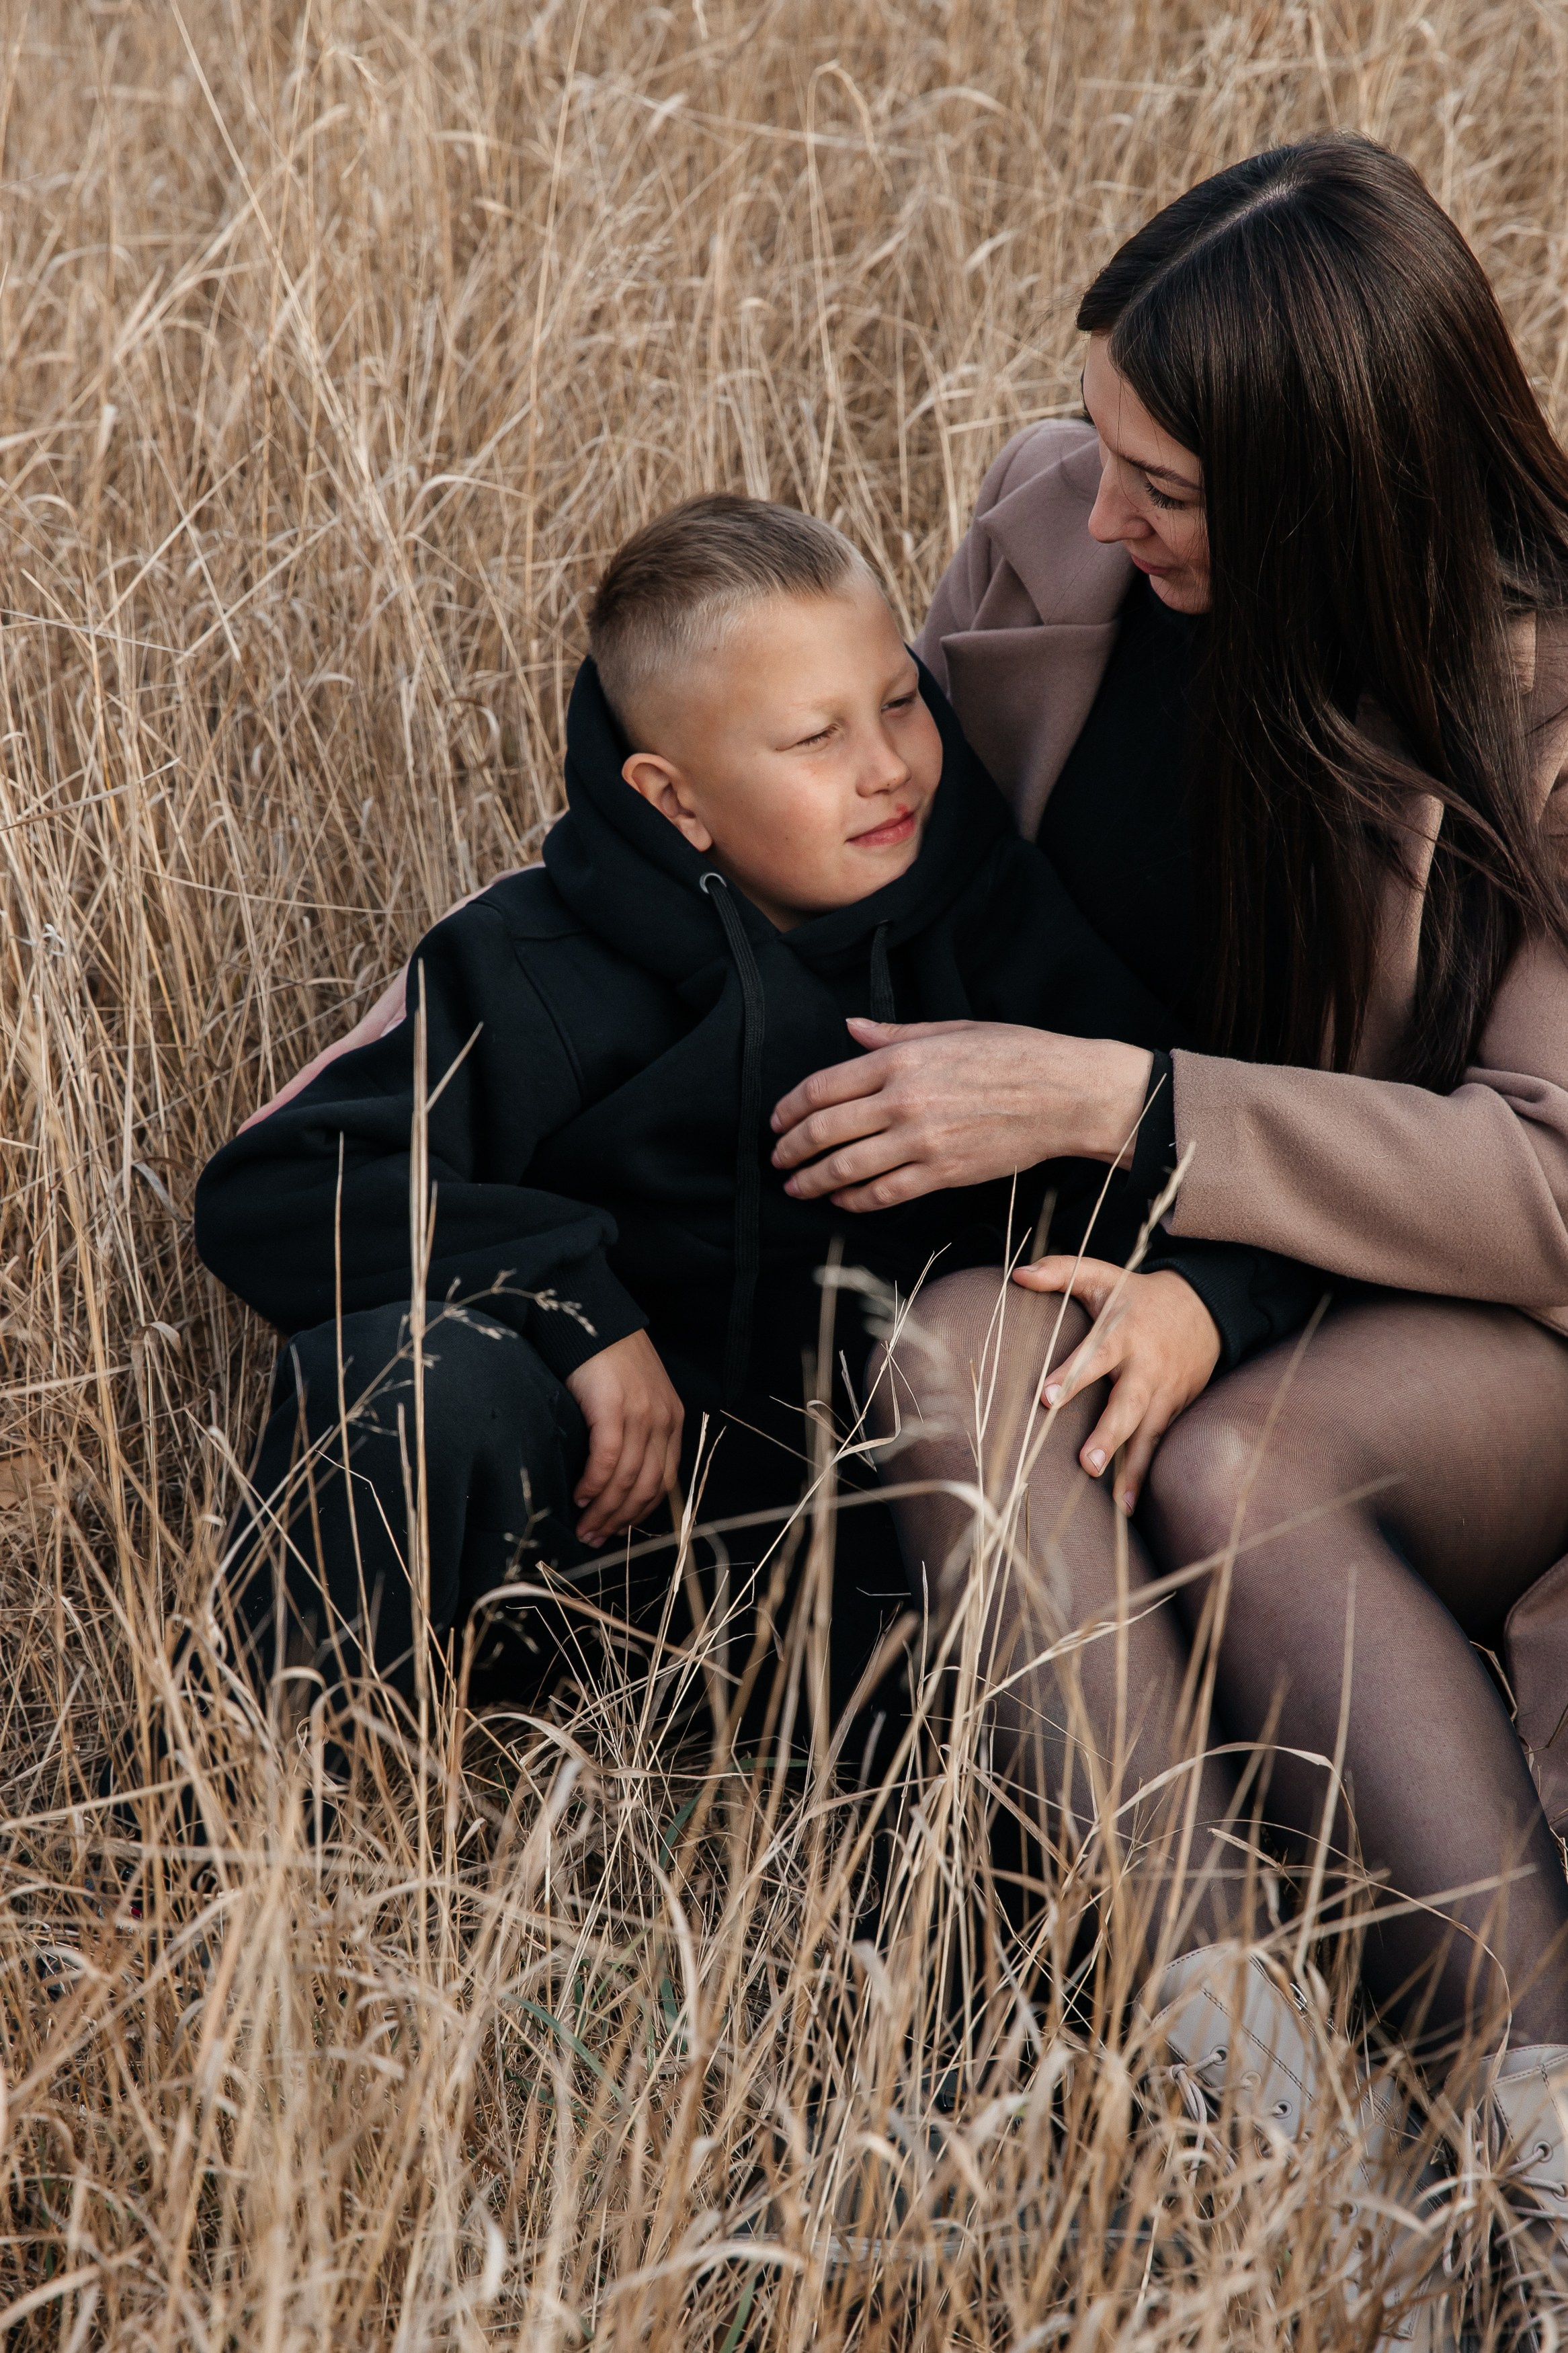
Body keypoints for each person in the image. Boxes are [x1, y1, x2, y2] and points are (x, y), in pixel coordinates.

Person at [764, 134, 1568, 2326]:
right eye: (1102, 447)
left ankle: (1550, 2161)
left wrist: (1130, 1110)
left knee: (1235, 1465)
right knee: (947, 1365)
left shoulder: (1544, 705)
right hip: (1122, 1279)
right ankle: (1285, 2158)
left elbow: (1544, 1180)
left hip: (1471, 1343)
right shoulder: (1051, 517)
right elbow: (835, 850)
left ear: (1337, 497)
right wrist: (422, 1061)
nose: (1096, 513)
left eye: (1172, 491)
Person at [194, 493, 1311, 1740]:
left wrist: (1201, 1299)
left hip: (890, 1584)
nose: (886, 764)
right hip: (595, 1542)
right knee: (403, 1375)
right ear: (673, 798)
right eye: (813, 739)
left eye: (898, 700)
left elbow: (1205, 1156)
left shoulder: (1002, 931)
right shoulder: (529, 956)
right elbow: (280, 1186)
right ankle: (250, 1800)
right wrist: (573, 1311)